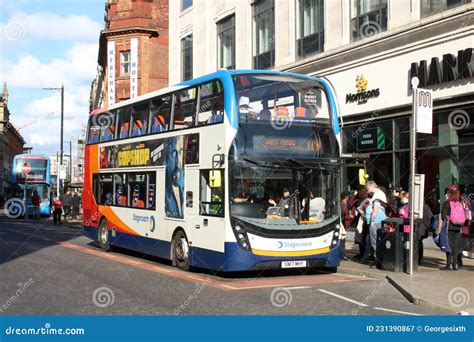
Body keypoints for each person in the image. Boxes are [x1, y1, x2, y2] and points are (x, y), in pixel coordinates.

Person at [441, 186, 467, 271]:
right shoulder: (460, 203)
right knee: (456, 246)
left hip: (449, 227)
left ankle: (449, 265)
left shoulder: (446, 203)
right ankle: (455, 264)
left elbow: (443, 216)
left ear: (450, 193)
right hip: (458, 227)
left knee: (448, 245)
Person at [361, 181, 387, 264]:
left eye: (368, 189)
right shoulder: (380, 193)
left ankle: (379, 260)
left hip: (376, 220)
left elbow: (375, 210)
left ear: (371, 187)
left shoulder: (377, 195)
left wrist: (372, 221)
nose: (368, 192)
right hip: (380, 219)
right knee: (370, 239)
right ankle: (365, 258)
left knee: (374, 241)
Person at [340, 191, 351, 261]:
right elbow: (345, 214)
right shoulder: (343, 204)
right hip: (344, 224)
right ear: (346, 197)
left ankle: (342, 254)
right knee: (343, 240)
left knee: (342, 240)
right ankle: (342, 255)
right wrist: (350, 217)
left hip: (344, 223)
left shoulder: (342, 203)